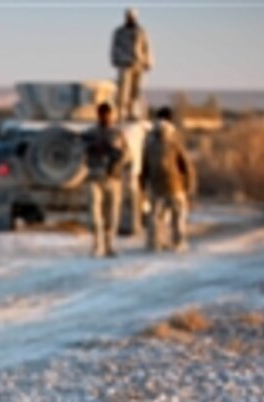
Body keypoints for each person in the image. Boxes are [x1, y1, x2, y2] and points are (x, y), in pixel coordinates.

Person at [141, 107, 196, 252]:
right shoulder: (175, 140)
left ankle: (154, 244)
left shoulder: (149, 142)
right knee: (178, 217)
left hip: (156, 187)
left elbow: (144, 166)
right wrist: (189, 186)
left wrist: (142, 186)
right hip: (175, 186)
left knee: (155, 217)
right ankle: (178, 243)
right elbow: (185, 165)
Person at [82, 103, 130, 258]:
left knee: (112, 214)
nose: (106, 117)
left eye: (108, 114)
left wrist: (117, 160)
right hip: (94, 176)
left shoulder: (117, 134)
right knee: (94, 213)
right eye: (103, 114)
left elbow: (128, 155)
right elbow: (79, 152)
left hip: (112, 178)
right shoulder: (90, 134)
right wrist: (91, 148)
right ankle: (97, 244)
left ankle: (109, 244)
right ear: (98, 115)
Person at [111, 7, 153, 121]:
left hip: (138, 63)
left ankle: (133, 113)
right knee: (123, 90)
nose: (130, 18)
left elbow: (146, 47)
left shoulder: (141, 31)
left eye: (132, 16)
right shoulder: (119, 32)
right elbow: (114, 47)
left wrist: (149, 61)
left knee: (137, 90)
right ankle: (121, 113)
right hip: (124, 63)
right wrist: (116, 59)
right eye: (128, 16)